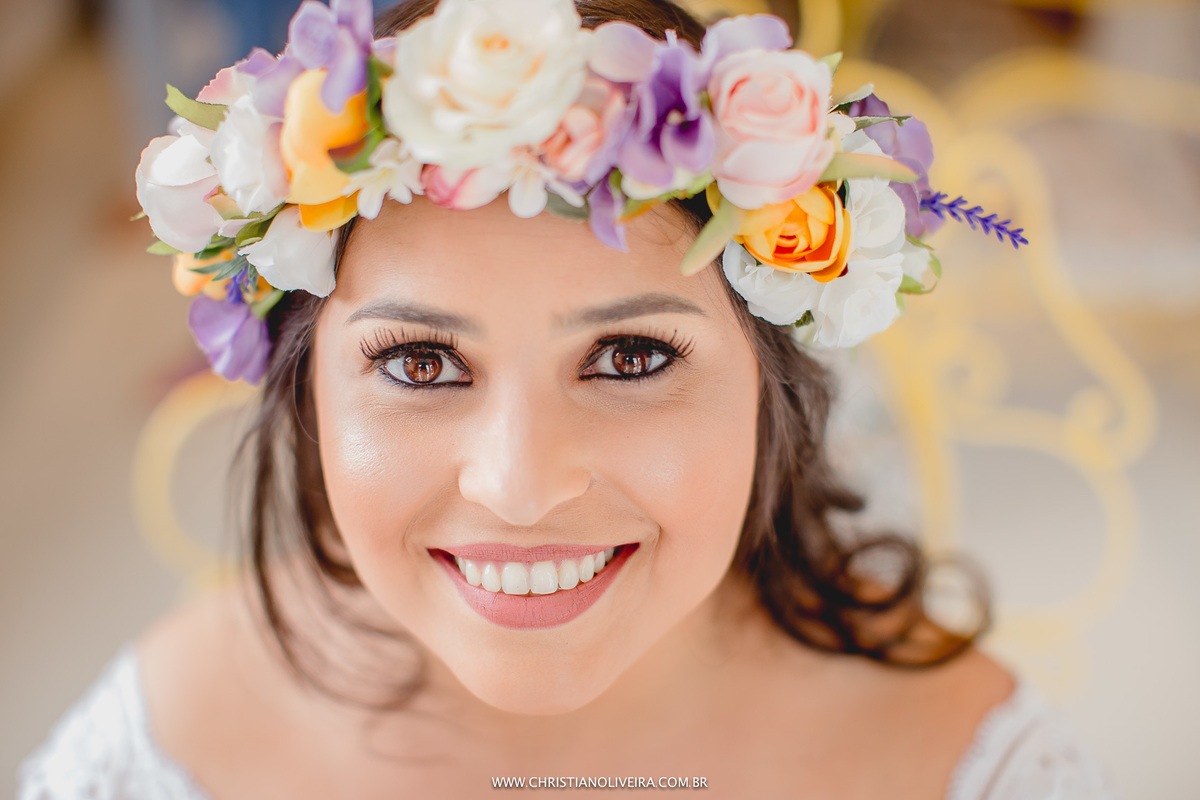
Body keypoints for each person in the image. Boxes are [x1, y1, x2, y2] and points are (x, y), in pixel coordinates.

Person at [19, 0, 1113, 797]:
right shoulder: (167, 742)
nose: (523, 484)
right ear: (305, 391)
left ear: (775, 385)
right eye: (419, 363)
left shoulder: (969, 758)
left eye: (632, 357)